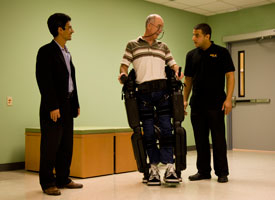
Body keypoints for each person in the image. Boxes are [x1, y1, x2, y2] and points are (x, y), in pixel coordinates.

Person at [118, 14, 183, 186]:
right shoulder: (132, 45)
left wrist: (177, 71)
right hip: (144, 95)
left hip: (163, 93)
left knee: (167, 130)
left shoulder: (164, 47)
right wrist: (123, 74)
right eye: (159, 26)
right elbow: (124, 65)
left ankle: (169, 166)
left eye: (162, 27)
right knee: (148, 132)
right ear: (149, 26)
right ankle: (153, 169)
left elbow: (173, 64)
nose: (161, 30)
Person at [36, 13, 83, 195]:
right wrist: (52, 106)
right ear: (60, 29)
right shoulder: (46, 51)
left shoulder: (67, 53)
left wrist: (76, 102)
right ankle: (48, 183)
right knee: (50, 146)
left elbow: (71, 80)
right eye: (69, 27)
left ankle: (63, 178)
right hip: (53, 106)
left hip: (68, 104)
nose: (73, 30)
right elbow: (44, 81)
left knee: (66, 145)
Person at [183, 23, 235, 183]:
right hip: (197, 105)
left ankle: (222, 172)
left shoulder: (222, 52)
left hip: (216, 104)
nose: (193, 38)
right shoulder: (191, 55)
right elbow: (188, 80)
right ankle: (203, 171)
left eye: (197, 35)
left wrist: (228, 99)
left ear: (207, 36)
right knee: (200, 139)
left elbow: (230, 76)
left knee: (218, 139)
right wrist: (184, 99)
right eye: (193, 35)